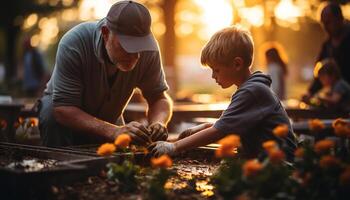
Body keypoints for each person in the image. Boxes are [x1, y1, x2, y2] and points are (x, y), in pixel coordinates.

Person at [150, 26, 297, 161]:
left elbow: (219, 131)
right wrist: (203, 128)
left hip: (281, 164)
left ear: (237, 64)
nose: (213, 76)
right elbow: (230, 125)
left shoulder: (252, 91)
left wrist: (174, 147)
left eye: (217, 70)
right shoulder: (251, 88)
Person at [38, 1, 173, 147]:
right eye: (128, 46)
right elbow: (63, 109)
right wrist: (113, 131)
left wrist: (159, 122)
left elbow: (159, 98)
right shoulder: (75, 43)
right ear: (105, 33)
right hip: (65, 118)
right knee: (51, 114)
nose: (136, 55)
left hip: (110, 120)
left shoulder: (149, 51)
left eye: (140, 46)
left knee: (121, 166)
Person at [303, 2, 350, 101]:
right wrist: (310, 92)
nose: (325, 27)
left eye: (328, 22)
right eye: (323, 23)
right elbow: (320, 74)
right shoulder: (327, 46)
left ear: (339, 18)